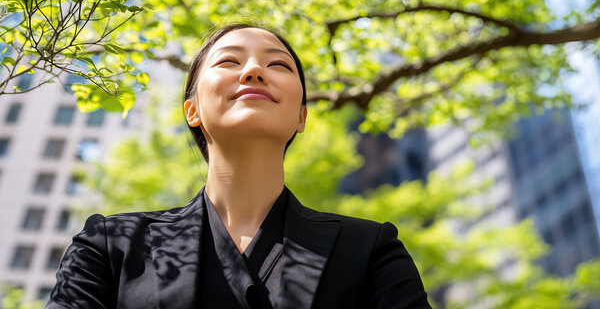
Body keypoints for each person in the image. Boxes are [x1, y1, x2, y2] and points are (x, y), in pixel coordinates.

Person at [46, 23, 432, 309]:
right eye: (229, 61)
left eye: (278, 65)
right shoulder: (110, 245)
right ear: (192, 110)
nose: (253, 71)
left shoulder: (370, 250)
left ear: (301, 116)